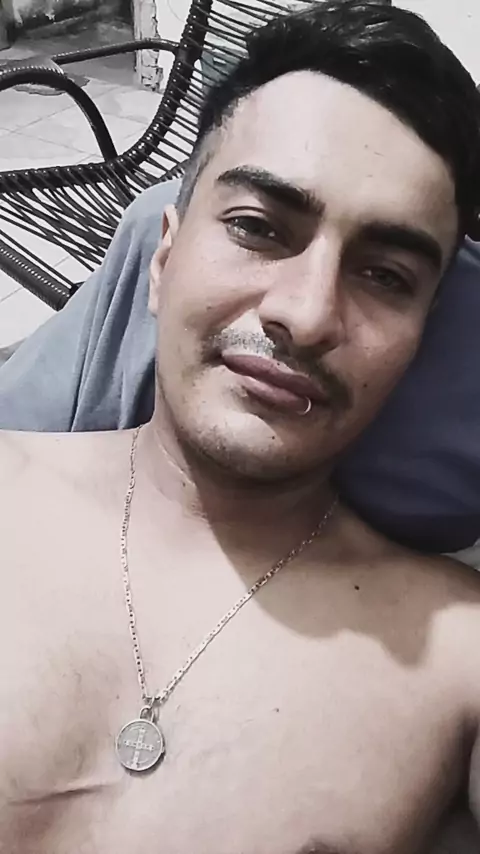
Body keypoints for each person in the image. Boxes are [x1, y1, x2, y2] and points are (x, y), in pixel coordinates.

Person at [2, 1, 480, 850]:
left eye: (385, 275)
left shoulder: (456, 656)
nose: (307, 313)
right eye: (259, 228)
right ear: (161, 259)